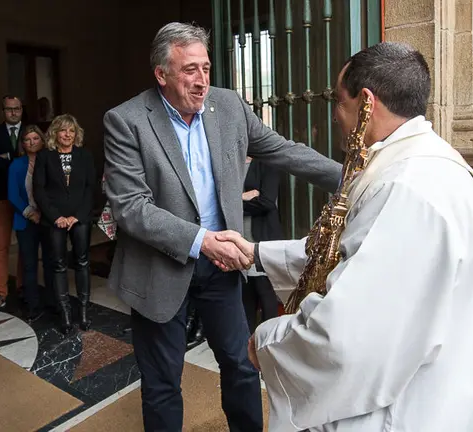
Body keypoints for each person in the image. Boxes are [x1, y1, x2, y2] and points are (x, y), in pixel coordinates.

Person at [216, 42, 473, 432]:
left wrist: (267, 343)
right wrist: (255, 253)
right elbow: (345, 255)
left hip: (424, 406)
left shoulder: (408, 189)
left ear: (366, 103)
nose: (334, 117)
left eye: (338, 101)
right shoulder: (418, 163)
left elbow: (346, 338)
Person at [102, 22, 342, 431]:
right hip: (158, 270)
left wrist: (355, 178)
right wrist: (202, 241)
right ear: (161, 74)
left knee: (242, 365)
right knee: (162, 384)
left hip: (223, 269)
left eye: (207, 69)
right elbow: (131, 208)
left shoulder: (228, 106)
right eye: (189, 70)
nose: (202, 82)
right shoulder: (126, 121)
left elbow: (282, 150)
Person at [34, 114, 96, 333]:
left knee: (82, 263)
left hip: (80, 219)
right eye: (63, 130)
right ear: (55, 133)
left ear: (76, 134)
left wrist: (77, 216)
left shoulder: (85, 156)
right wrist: (56, 217)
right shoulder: (44, 157)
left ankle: (84, 313)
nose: (67, 135)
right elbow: (39, 190)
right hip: (54, 220)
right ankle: (66, 315)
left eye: (71, 131)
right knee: (58, 265)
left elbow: (90, 188)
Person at [8, 125, 55, 322]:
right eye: (28, 139)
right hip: (26, 220)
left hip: (47, 219)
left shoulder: (50, 162)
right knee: (29, 264)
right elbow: (12, 194)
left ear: (42, 140)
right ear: (23, 143)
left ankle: (54, 302)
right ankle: (32, 305)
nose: (32, 142)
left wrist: (46, 214)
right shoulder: (16, 165)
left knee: (51, 262)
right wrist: (30, 213)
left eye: (36, 138)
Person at [0, 95, 24, 314]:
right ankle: (0, 292)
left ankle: (22, 286)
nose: (13, 112)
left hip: (26, 196)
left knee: (24, 244)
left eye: (17, 108)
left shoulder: (30, 130)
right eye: (9, 109)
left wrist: (6, 157)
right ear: (3, 111)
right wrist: (13, 156)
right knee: (1, 244)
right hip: (2, 194)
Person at [240, 156, 283, 334]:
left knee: (266, 295)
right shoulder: (230, 162)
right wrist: (242, 197)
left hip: (262, 239)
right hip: (239, 239)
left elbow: (266, 202)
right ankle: (247, 348)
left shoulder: (268, 162)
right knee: (245, 297)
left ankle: (268, 344)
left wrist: (233, 203)